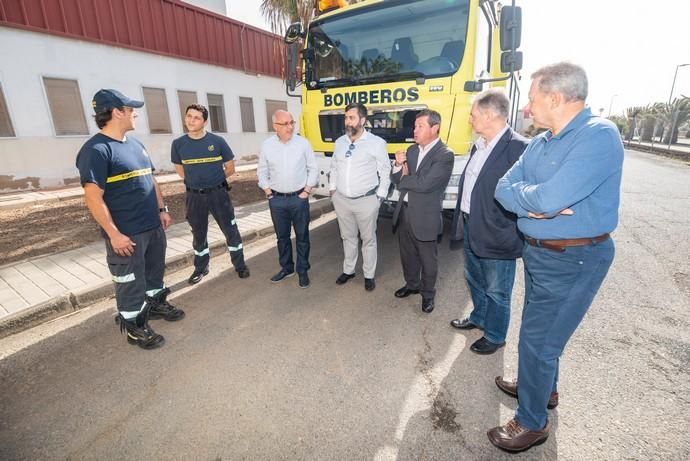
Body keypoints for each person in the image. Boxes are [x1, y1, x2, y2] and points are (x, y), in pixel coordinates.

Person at [489, 62, 623, 452]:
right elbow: (503, 189)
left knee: (538, 341)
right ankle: (544, 388)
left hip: (574, 259)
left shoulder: (598, 136)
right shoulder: (543, 141)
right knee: (540, 331)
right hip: (539, 254)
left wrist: (534, 200)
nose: (528, 108)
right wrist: (538, 206)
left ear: (555, 97)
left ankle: (531, 422)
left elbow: (548, 197)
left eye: (532, 99)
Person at [76, 89, 185, 350]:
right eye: (130, 109)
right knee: (129, 282)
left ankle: (155, 304)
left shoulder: (135, 144)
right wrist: (114, 234)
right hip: (127, 234)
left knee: (153, 272)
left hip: (152, 226)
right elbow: (93, 197)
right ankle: (135, 327)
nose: (135, 113)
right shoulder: (96, 150)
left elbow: (151, 180)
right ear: (116, 112)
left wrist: (162, 210)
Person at [448, 89, 527, 354]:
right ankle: (479, 317)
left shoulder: (518, 148)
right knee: (474, 277)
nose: (470, 120)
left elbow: (524, 195)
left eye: (473, 115)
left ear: (490, 116)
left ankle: (495, 335)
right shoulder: (479, 145)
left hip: (498, 232)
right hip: (472, 224)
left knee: (497, 289)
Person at [171, 104, 250, 285]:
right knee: (198, 234)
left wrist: (212, 181)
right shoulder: (178, 144)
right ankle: (201, 268)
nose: (191, 120)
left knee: (231, 231)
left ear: (204, 122)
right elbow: (180, 170)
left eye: (196, 117)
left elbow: (230, 168)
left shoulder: (218, 141)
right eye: (189, 116)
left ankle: (239, 265)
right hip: (194, 198)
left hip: (218, 195)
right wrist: (196, 183)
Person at [391, 109, 454, 313]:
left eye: (420, 126)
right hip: (405, 211)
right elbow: (396, 179)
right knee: (407, 254)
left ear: (434, 128)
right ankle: (411, 285)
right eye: (415, 126)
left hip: (426, 215)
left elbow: (426, 184)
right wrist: (397, 167)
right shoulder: (412, 150)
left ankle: (428, 295)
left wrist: (404, 179)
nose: (415, 130)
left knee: (428, 259)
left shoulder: (444, 155)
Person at [329, 103, 391, 291]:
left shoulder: (376, 143)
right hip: (342, 200)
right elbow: (334, 168)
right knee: (347, 237)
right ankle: (349, 270)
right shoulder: (340, 142)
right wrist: (333, 191)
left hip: (367, 200)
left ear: (363, 120)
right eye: (346, 118)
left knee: (368, 239)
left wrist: (379, 197)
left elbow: (385, 171)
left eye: (352, 118)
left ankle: (369, 275)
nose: (348, 122)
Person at [258, 110, 318, 288]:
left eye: (291, 122)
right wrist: (268, 192)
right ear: (275, 126)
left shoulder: (303, 144)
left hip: (298, 199)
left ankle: (302, 270)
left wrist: (306, 192)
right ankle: (287, 268)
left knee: (302, 237)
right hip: (276, 200)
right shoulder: (267, 145)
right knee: (282, 237)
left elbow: (313, 169)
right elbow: (262, 171)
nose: (290, 127)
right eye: (285, 124)